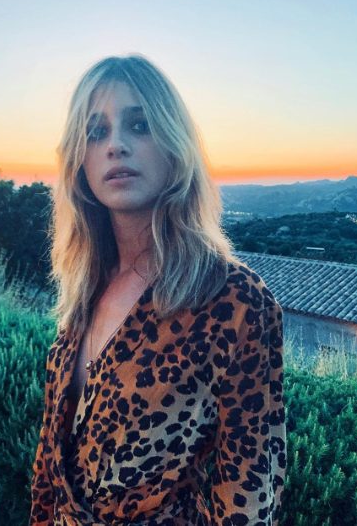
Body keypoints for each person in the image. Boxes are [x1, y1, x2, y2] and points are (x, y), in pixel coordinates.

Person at [29, 54, 287, 526]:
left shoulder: (233, 300)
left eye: (140, 125)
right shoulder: (87, 285)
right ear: (78, 161)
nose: (116, 146)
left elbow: (250, 491)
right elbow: (49, 469)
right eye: (95, 132)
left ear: (174, 144)